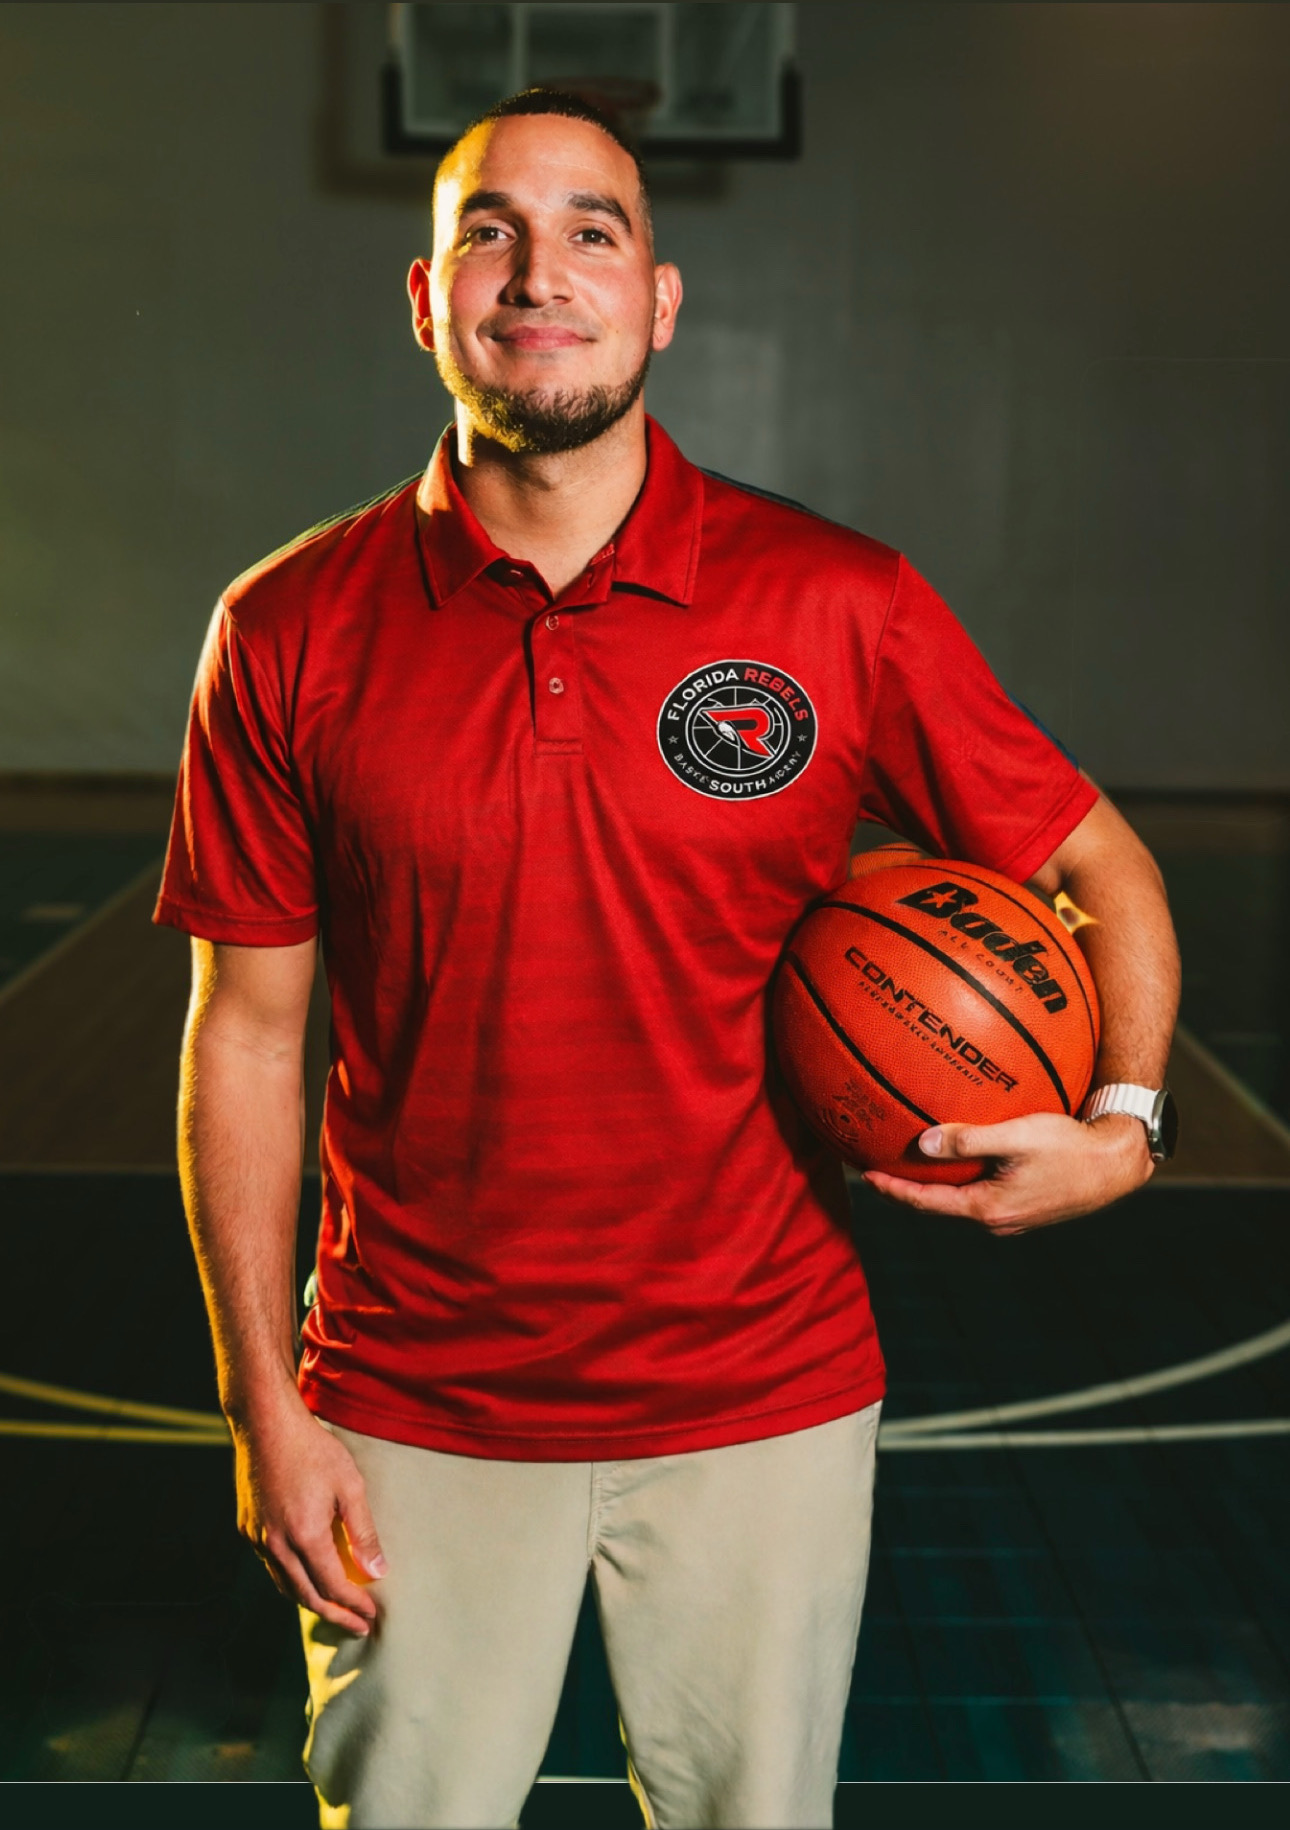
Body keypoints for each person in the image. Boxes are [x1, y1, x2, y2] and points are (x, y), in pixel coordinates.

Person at [155, 88, 1180, 1830]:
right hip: (411, 1401)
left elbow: (1094, 857)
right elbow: (247, 1037)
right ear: (425, 298)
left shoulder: (836, 601)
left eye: (589, 231)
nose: (537, 270)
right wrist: (267, 1403)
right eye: (488, 228)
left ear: (659, 300)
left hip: (757, 1394)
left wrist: (1126, 1120)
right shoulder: (287, 627)